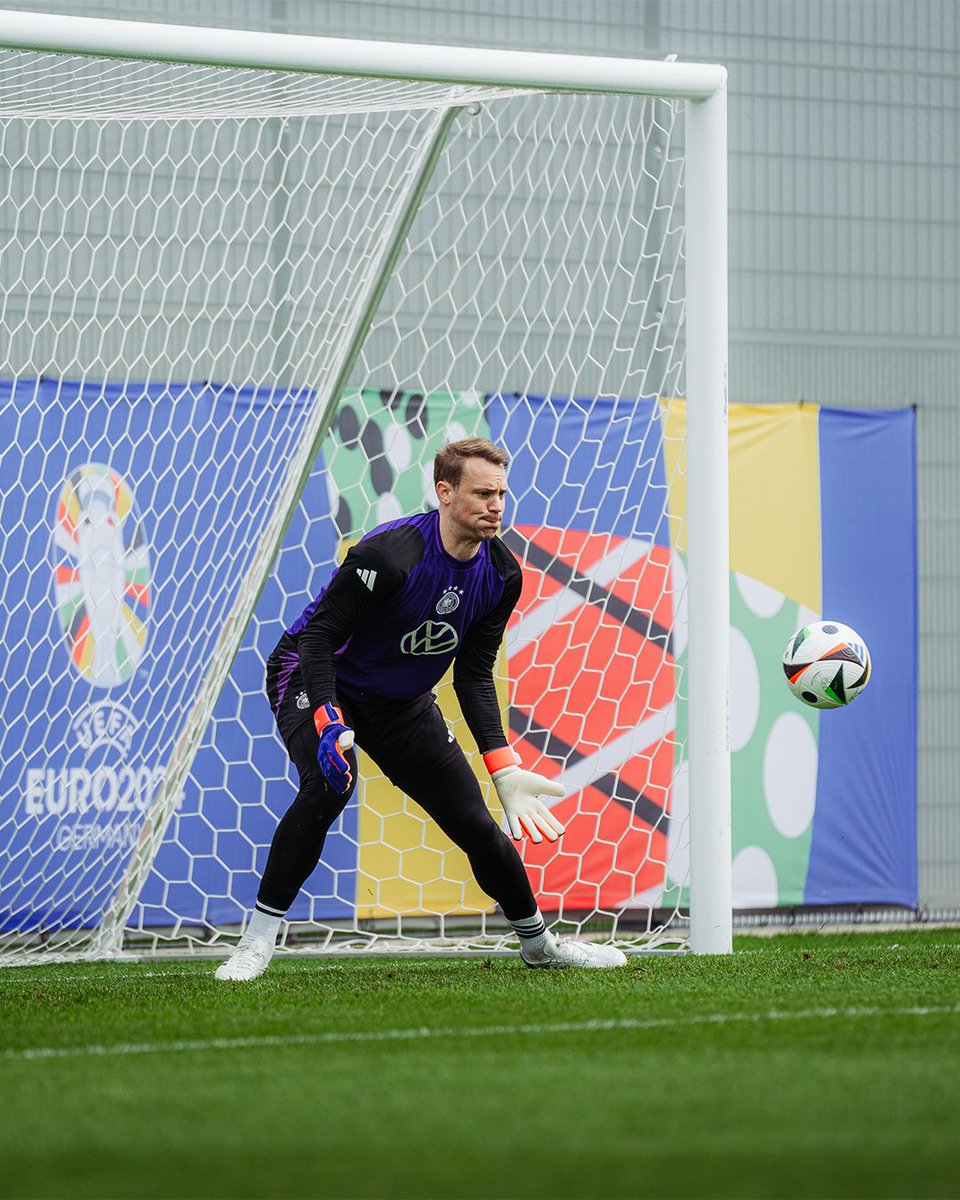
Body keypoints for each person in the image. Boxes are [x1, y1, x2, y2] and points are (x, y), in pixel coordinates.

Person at [216, 436, 627, 980]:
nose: (496, 506)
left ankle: (538, 944)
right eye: (482, 494)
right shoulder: (388, 556)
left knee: (474, 823)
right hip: (318, 678)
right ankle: (256, 943)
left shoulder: (502, 575)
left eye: (502, 494)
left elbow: (473, 675)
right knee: (330, 786)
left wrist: (502, 766)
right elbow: (317, 640)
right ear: (444, 492)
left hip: (400, 703)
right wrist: (328, 720)